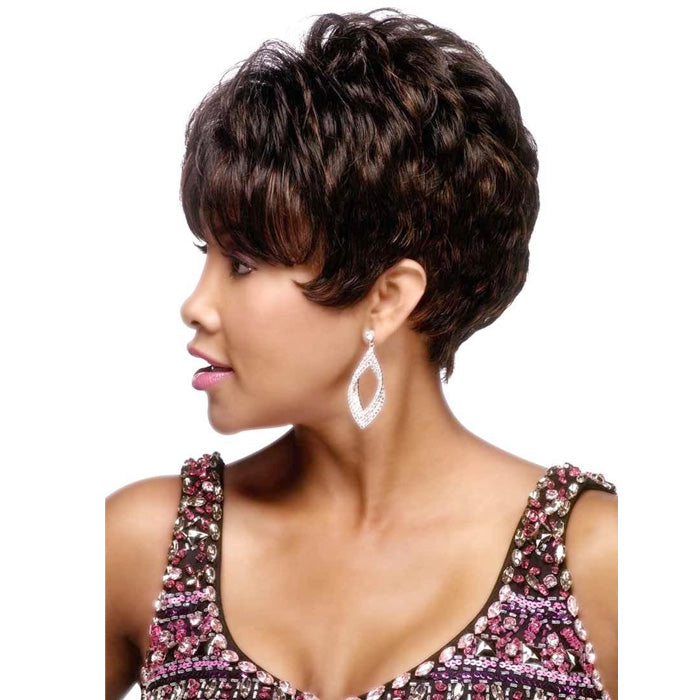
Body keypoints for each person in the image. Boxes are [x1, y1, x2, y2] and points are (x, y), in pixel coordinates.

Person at [106, 8, 618, 700]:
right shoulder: (142, 546)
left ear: (386, 300)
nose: (196, 304)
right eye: (208, 255)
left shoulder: (597, 561)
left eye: (245, 263)